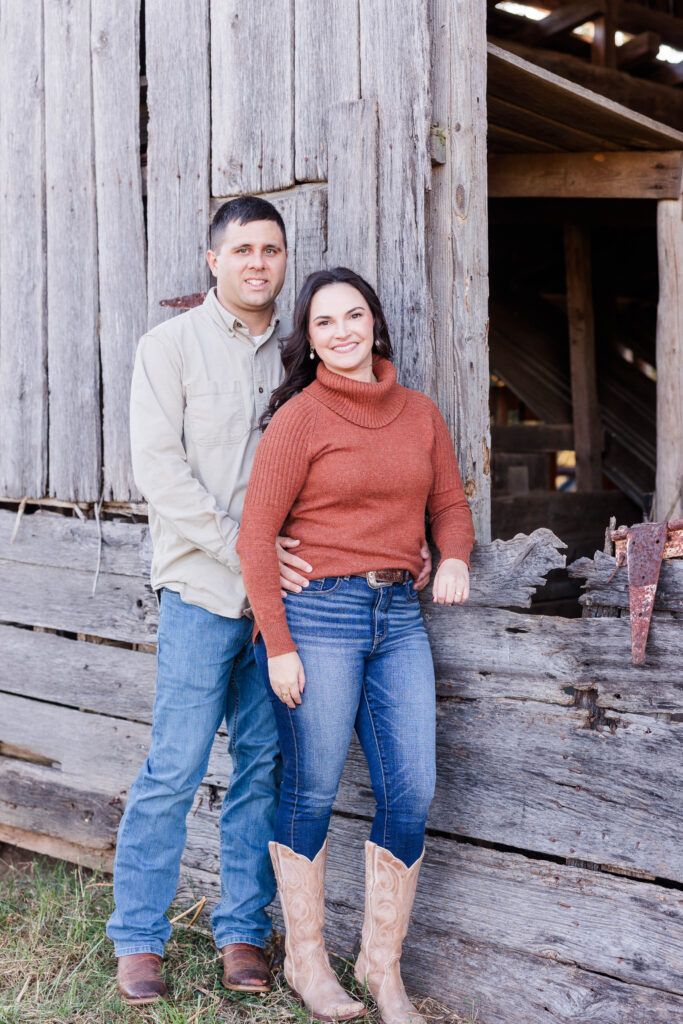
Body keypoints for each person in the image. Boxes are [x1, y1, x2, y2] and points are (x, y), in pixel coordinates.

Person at [236, 267, 475, 1024]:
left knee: (412, 790)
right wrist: (277, 643)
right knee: (308, 788)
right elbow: (254, 538)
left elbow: (450, 504)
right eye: (324, 323)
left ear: (375, 322)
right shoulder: (299, 419)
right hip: (318, 618)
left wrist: (456, 555)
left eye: (354, 316)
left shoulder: (419, 413)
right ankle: (307, 961)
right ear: (307, 341)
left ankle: (379, 963)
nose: (342, 332)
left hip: (398, 619)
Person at [107, 196, 315, 1004]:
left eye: (271, 249)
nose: (258, 263)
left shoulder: (301, 358)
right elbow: (157, 471)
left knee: (261, 766)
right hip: (201, 586)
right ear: (213, 260)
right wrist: (244, 545)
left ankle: (240, 931)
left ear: (282, 259)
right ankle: (138, 939)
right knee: (175, 766)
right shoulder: (170, 347)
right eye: (243, 250)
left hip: (279, 604)